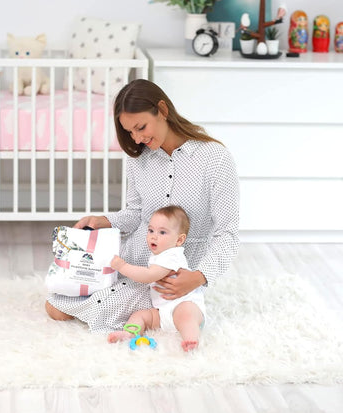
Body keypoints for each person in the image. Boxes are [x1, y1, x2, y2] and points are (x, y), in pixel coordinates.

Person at [45, 79, 240, 334]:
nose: (137, 138)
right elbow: (136, 214)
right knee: (57, 301)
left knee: (62, 309)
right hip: (131, 257)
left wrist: (198, 277)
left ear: (162, 110)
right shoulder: (139, 158)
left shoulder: (214, 158)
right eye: (129, 132)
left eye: (141, 127)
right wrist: (102, 221)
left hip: (171, 273)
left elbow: (228, 234)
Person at [108, 205, 206, 352]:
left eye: (162, 232)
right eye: (151, 230)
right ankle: (130, 333)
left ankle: (191, 339)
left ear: (179, 240)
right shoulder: (159, 255)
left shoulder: (173, 256)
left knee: (185, 315)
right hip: (162, 312)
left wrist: (122, 266)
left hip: (184, 305)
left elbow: (148, 276)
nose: (154, 236)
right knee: (140, 315)